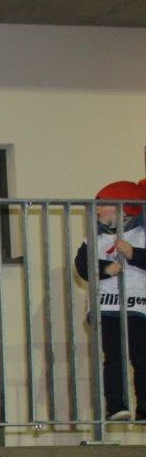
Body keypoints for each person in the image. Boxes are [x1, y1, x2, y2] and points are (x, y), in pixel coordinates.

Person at [74, 180, 146, 421]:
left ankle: (144, 406)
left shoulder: (141, 233)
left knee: (141, 357)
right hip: (106, 306)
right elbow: (82, 266)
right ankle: (115, 405)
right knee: (113, 357)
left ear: (121, 207)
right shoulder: (94, 237)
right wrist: (105, 269)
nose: (96, 210)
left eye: (102, 205)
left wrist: (134, 254)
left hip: (138, 306)